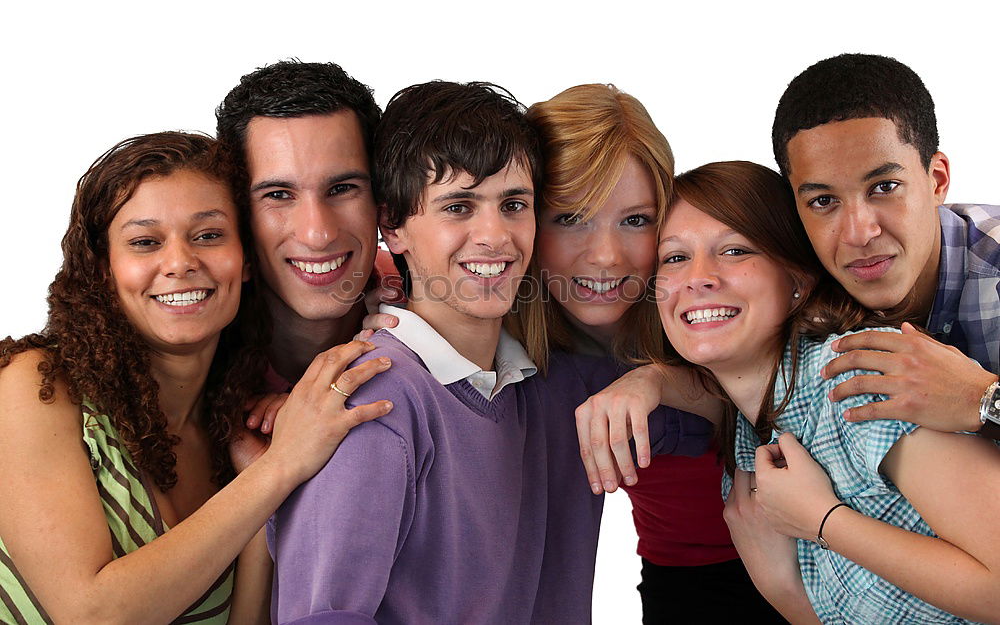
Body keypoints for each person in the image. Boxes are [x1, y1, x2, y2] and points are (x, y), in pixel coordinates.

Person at [267, 81, 712, 624]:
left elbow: (727, 415)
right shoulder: (372, 409)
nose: (494, 236)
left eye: (514, 205)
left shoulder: (557, 386)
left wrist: (654, 381)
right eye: (458, 206)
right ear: (394, 227)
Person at [0, 132, 391, 624]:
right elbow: (92, 614)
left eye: (208, 235)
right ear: (103, 270)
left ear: (246, 260)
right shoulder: (37, 385)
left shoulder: (235, 427)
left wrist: (262, 482)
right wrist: (282, 467)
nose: (181, 263)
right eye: (145, 242)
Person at [655, 160, 1000, 623]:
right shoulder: (750, 437)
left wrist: (824, 522)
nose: (699, 276)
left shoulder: (859, 378)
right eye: (675, 257)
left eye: (735, 251)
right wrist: (783, 589)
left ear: (796, 282)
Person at [509, 83, 776, 623]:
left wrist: (652, 381)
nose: (606, 257)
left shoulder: (701, 293)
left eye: (635, 220)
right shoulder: (498, 304)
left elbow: (766, 390)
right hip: (684, 581)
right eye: (570, 217)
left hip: (822, 560)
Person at [771, 53, 1000, 439]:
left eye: (884, 187)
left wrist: (982, 398)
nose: (859, 234)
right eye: (823, 201)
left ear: (937, 181)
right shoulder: (791, 284)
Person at [215, 59, 398, 401]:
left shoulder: (432, 294)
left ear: (382, 196)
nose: (318, 234)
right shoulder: (195, 324)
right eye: (279, 195)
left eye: (342, 188)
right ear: (237, 209)